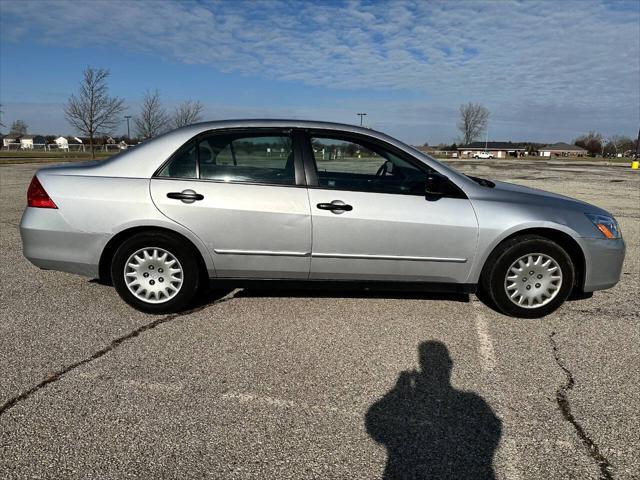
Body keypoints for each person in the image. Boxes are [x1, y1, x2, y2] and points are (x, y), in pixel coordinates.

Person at [365, 341, 502, 479]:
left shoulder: (405, 407)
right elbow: (493, 431)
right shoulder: (472, 403)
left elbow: (373, 422)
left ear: (421, 368)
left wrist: (397, 392)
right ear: (449, 365)